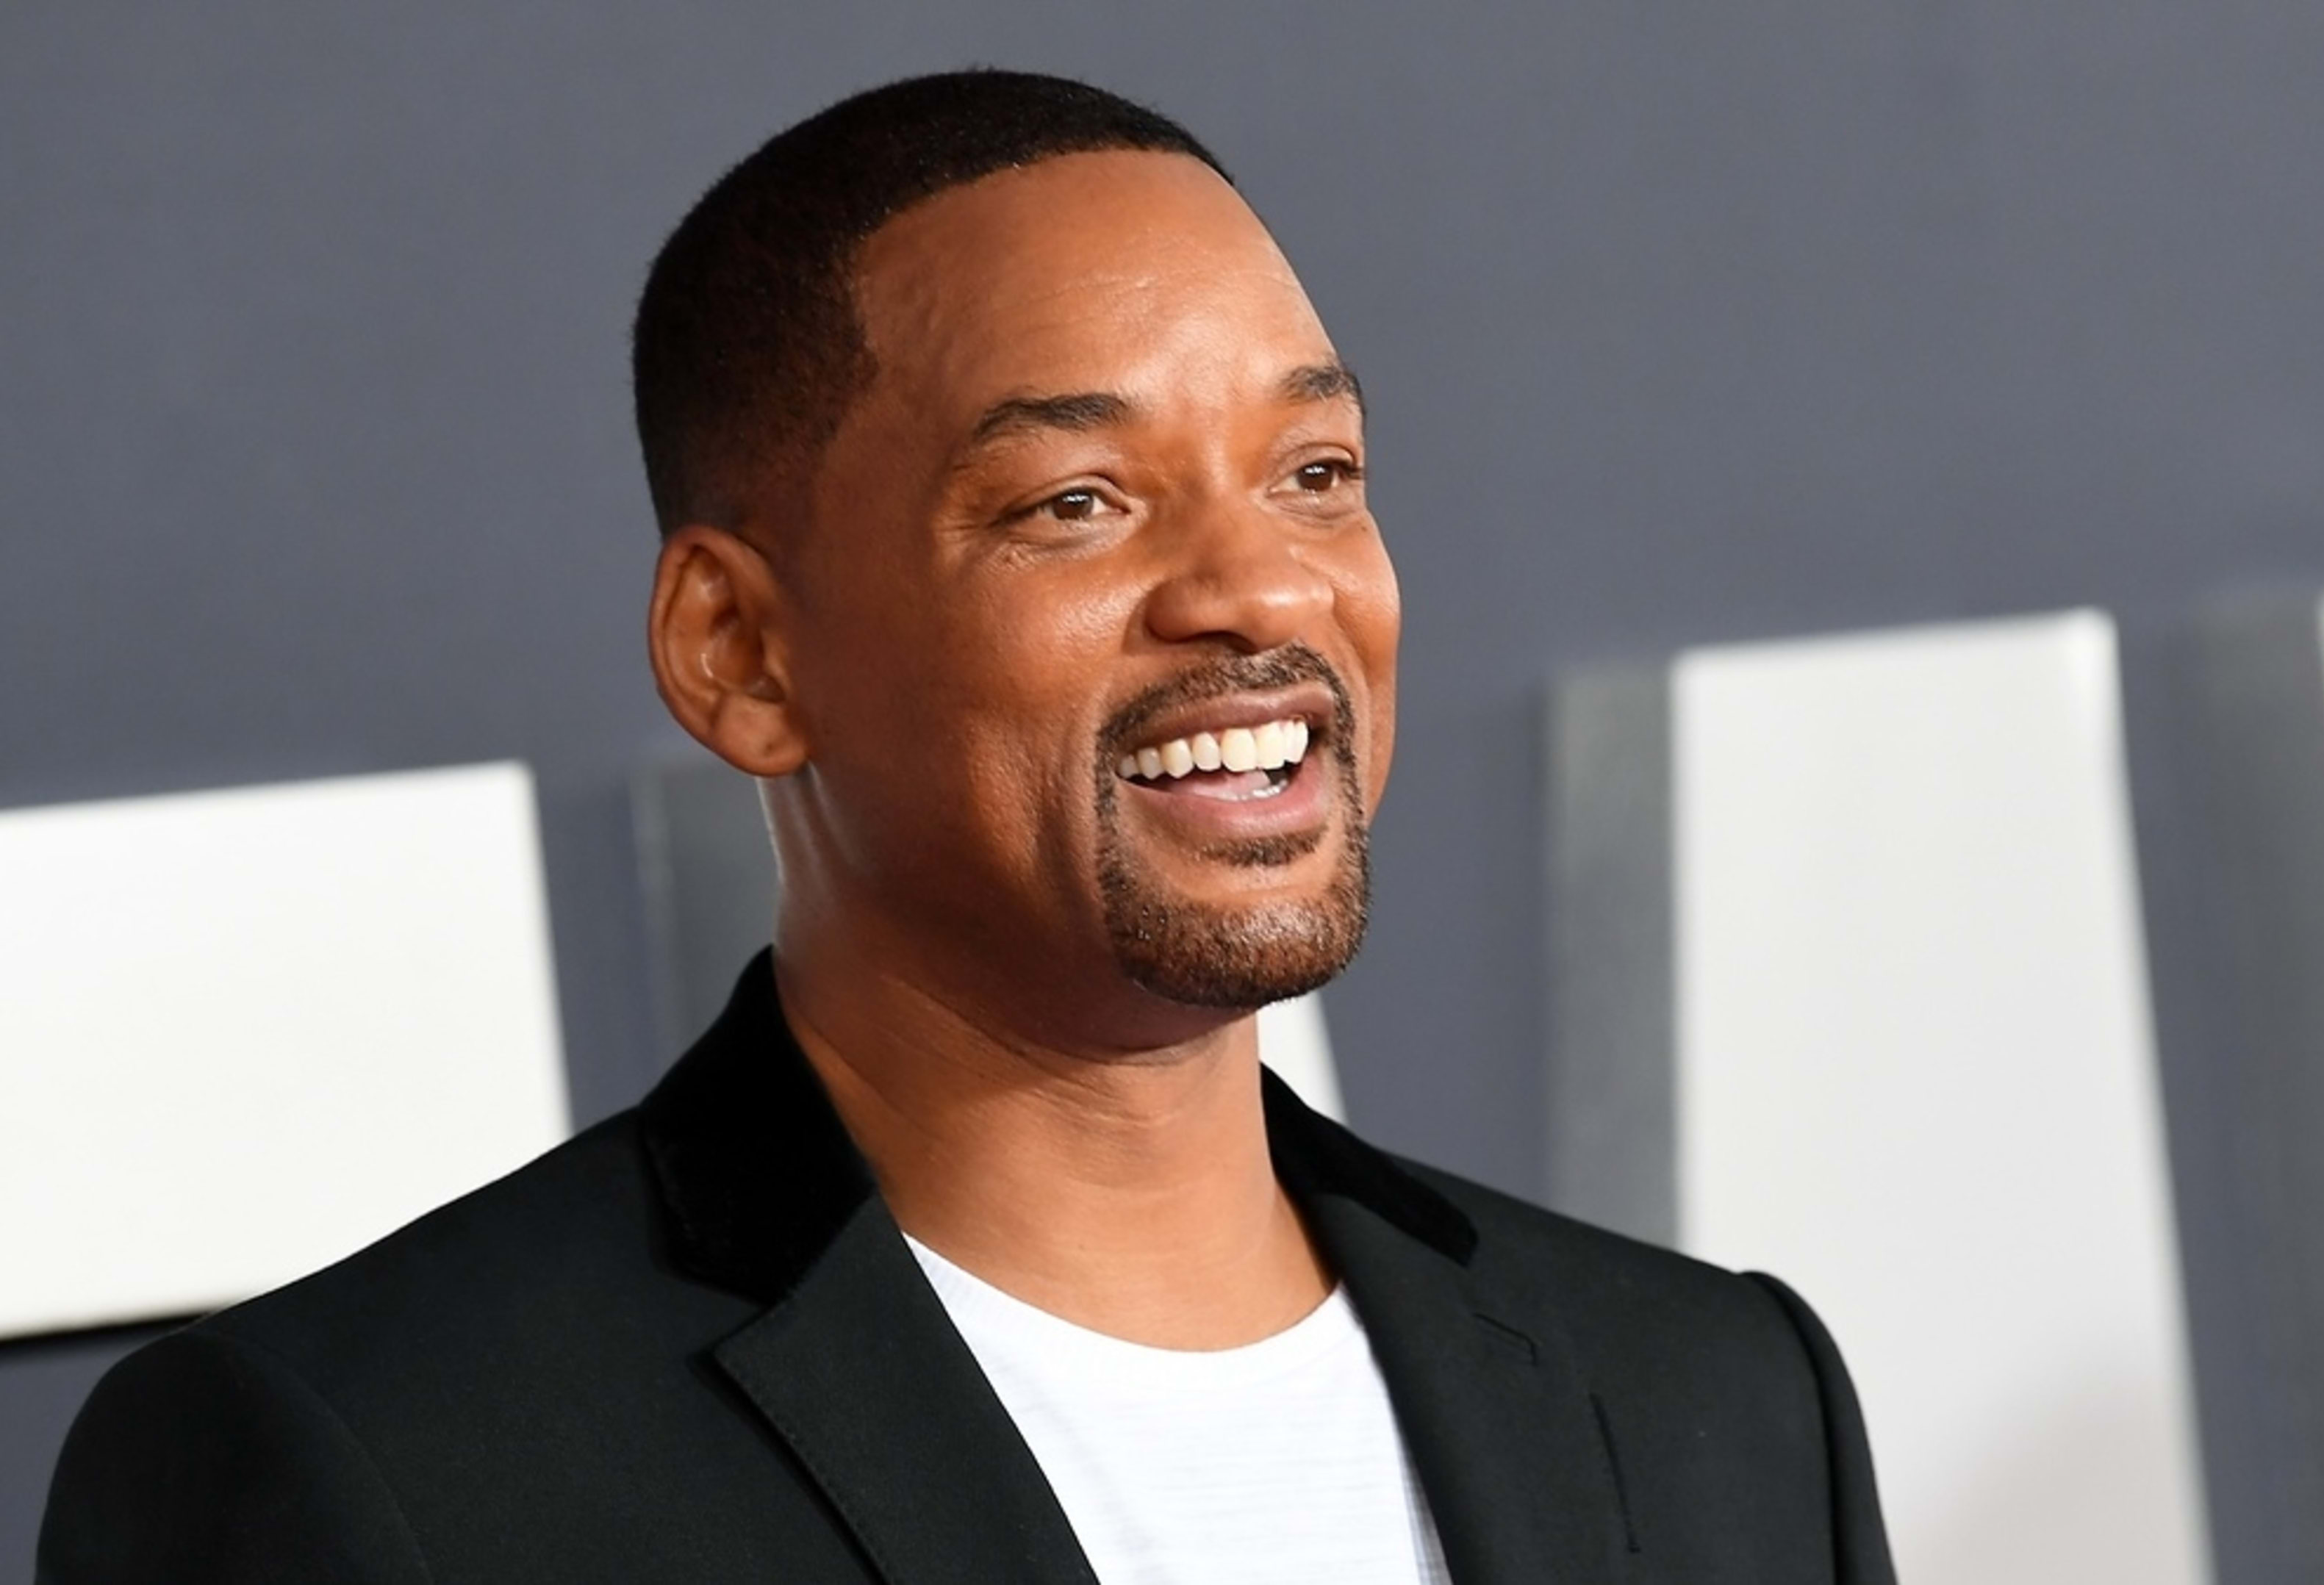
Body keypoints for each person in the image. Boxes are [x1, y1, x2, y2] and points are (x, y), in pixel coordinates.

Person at [39, 70, 1893, 1584]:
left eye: (1314, 474)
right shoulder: (387, 1467)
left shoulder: (1713, 1401)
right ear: (740, 651)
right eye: (1077, 499)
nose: (1258, 588)